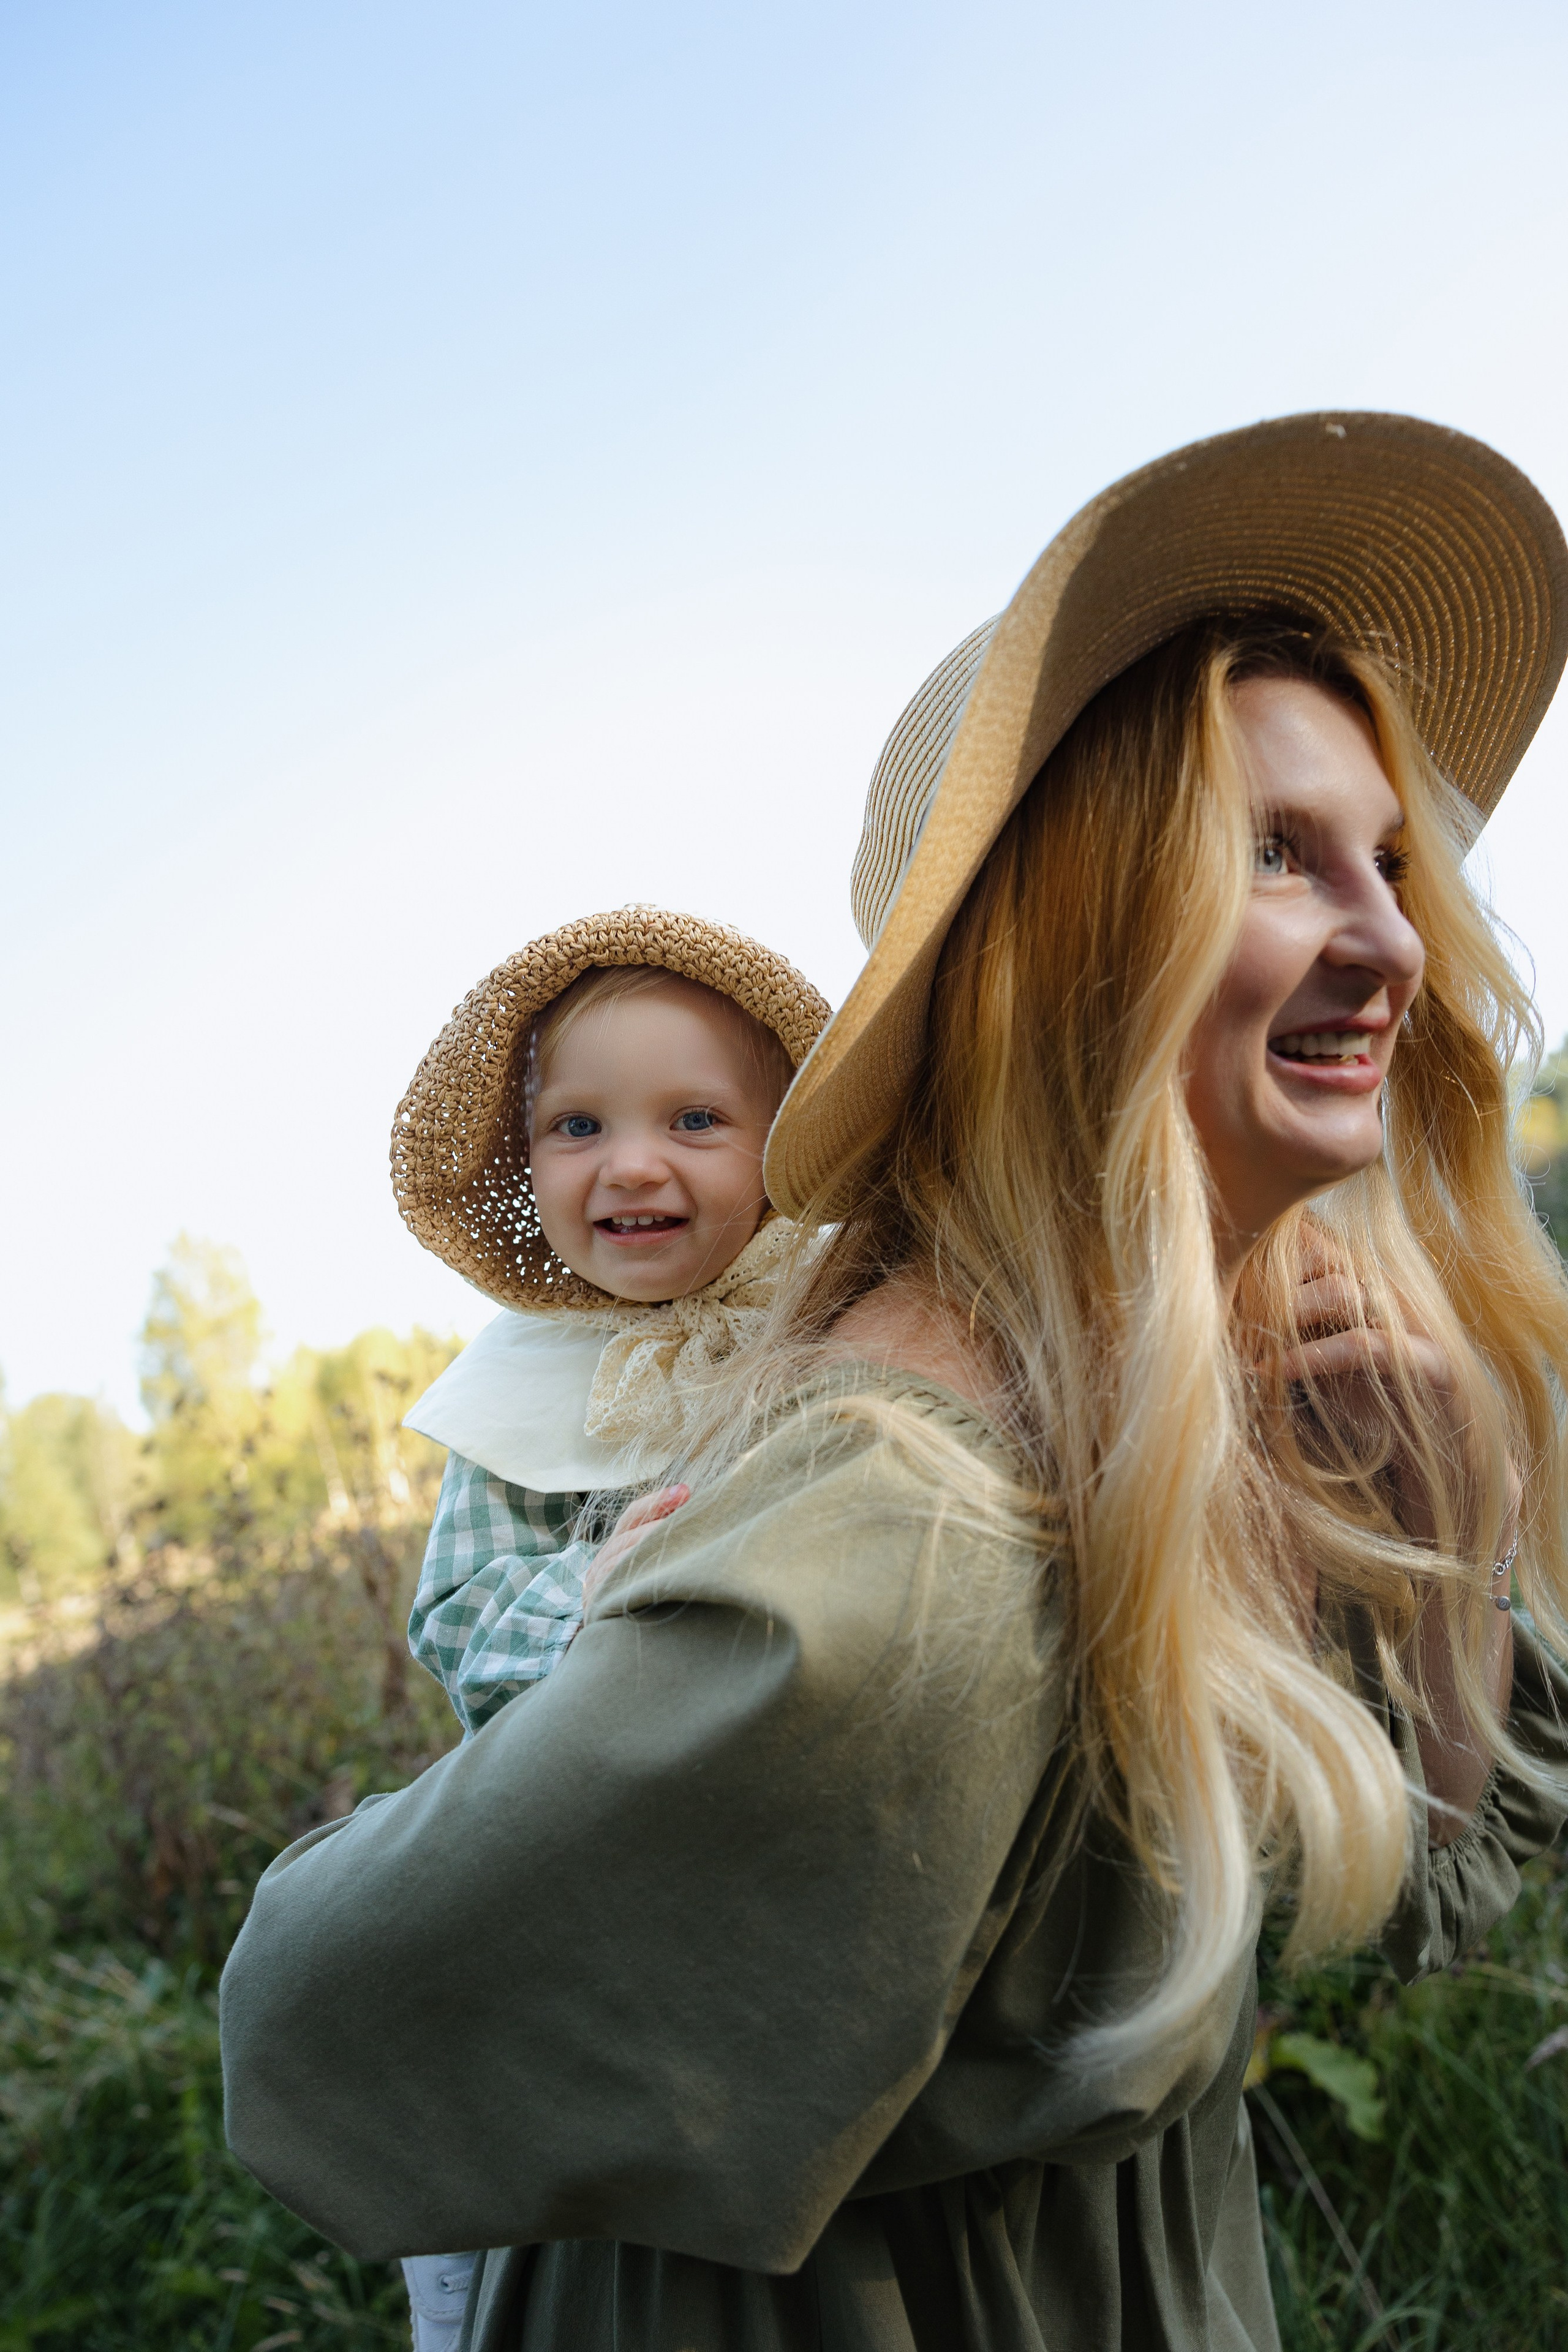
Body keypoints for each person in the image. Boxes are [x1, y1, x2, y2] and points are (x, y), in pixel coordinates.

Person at [221, 412, 1568, 2352]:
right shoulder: (906, 1525)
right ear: (1077, 942)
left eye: (1387, 857)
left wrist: (1445, 1528)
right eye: (1273, 855)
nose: (1390, 939)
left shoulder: (1201, 1422)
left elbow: (1444, 1903)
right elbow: (321, 2027)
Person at [384, 908, 830, 2345]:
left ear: (782, 1145)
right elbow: (457, 1614)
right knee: (459, 2016)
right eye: (576, 1127)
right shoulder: (516, 1386)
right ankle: (466, 2279)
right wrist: (599, 1590)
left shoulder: (837, 1325)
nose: (629, 1162)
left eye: (694, 1118)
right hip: (573, 1812)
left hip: (798, 1796)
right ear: (530, 1170)